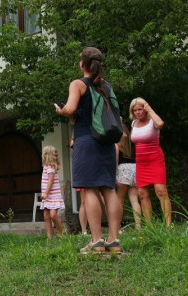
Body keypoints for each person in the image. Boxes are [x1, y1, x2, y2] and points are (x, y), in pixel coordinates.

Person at [55, 46, 122, 254]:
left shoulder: (78, 84)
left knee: (91, 189)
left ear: (82, 64)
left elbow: (70, 108)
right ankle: (114, 241)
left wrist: (61, 110)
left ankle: (97, 241)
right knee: (109, 190)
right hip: (107, 142)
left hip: (86, 140)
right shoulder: (106, 86)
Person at [129, 97, 172, 227]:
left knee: (161, 191)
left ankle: (168, 226)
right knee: (142, 194)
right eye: (135, 110)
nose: (137, 112)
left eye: (140, 109)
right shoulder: (134, 124)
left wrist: (150, 109)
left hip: (155, 160)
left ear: (145, 109)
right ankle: (149, 227)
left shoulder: (153, 121)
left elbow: (160, 124)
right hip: (141, 163)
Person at [116, 124, 142, 229]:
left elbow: (116, 160)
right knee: (134, 200)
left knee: (119, 200)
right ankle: (138, 226)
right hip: (135, 168)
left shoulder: (117, 143)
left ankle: (117, 226)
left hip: (123, 168)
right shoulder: (132, 141)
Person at [40, 146, 65, 238]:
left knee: (53, 215)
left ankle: (61, 233)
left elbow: (50, 181)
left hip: (52, 196)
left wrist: (45, 193)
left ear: (46, 155)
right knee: (46, 216)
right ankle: (50, 238)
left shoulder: (50, 167)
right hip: (48, 197)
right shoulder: (46, 167)